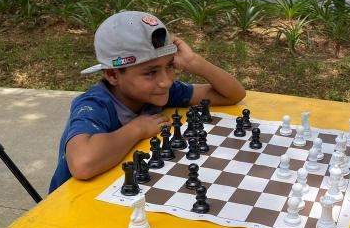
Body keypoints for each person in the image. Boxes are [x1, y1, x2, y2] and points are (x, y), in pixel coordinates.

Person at [49, 11, 246, 193]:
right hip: (73, 209)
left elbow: (233, 95)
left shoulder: (159, 91)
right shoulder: (94, 104)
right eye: (151, 72)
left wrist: (194, 62)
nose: (166, 80)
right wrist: (138, 129)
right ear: (112, 74)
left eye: (169, 66)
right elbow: (83, 163)